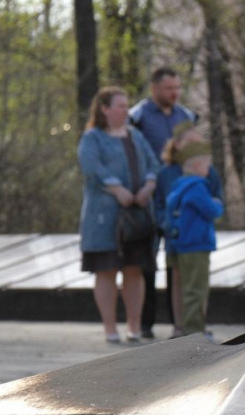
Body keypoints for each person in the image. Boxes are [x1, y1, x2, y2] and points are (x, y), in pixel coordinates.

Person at [78, 86, 161, 343]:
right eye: (120, 105)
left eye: (127, 105)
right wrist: (117, 189)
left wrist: (148, 186)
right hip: (104, 218)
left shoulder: (135, 135)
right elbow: (91, 167)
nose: (126, 110)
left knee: (134, 270)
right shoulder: (92, 138)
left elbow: (153, 164)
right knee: (107, 270)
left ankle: (134, 327)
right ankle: (110, 329)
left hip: (137, 217)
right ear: (105, 109)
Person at [129, 66, 198, 339]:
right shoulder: (138, 116)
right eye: (169, 88)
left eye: (177, 88)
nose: (175, 93)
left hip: (179, 198)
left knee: (176, 262)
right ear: (155, 88)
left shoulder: (186, 115)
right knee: (147, 261)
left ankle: (178, 323)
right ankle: (145, 322)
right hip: (148, 197)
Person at [154, 122, 224, 338]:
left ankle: (192, 326)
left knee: (194, 284)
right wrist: (215, 205)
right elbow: (211, 207)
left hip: (183, 238)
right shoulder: (178, 177)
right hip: (189, 240)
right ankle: (190, 329)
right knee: (190, 284)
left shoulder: (189, 179)